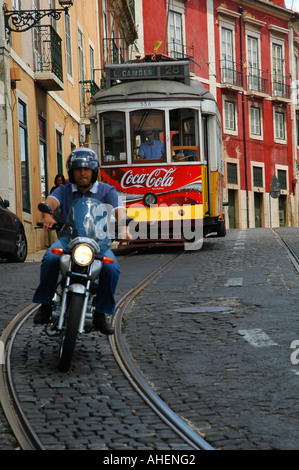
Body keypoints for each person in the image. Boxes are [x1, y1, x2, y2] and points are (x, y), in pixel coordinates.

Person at [32, 147, 132, 335]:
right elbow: (51, 203)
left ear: (94, 171)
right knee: (50, 258)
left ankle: (101, 313)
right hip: (68, 239)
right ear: (72, 172)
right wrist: (47, 215)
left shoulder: (106, 190)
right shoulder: (64, 190)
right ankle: (45, 304)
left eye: (86, 169)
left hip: (99, 242)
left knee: (112, 268)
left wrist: (124, 227)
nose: (82, 172)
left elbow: (119, 209)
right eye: (78, 169)